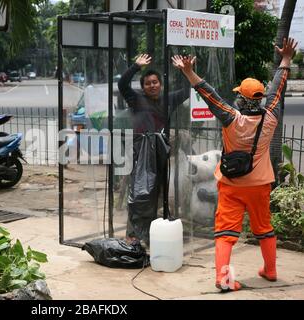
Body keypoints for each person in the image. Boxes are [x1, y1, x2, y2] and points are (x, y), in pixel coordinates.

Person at [172, 37, 297, 292]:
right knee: (264, 227)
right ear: (260, 99)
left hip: (231, 184)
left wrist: (188, 71)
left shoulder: (231, 118)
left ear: (240, 99)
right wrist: (285, 59)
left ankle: (224, 279)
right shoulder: (270, 116)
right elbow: (278, 87)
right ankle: (270, 271)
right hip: (261, 184)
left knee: (226, 232)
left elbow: (209, 93)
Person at [118, 54, 189, 245]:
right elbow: (122, 85)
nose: (152, 85)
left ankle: (152, 234)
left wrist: (185, 70)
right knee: (139, 195)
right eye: (148, 83)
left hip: (160, 152)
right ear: (143, 87)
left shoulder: (168, 99)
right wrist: (135, 66)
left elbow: (187, 91)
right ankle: (132, 236)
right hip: (141, 153)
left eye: (155, 82)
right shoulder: (137, 100)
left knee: (159, 193)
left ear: (160, 84)